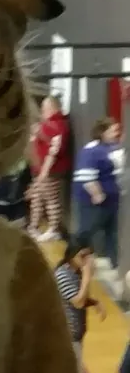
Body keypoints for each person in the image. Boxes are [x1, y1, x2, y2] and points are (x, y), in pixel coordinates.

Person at [72, 117, 122, 275]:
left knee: (112, 234)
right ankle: (73, 264)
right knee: (86, 232)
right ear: (102, 132)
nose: (116, 133)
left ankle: (115, 265)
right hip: (95, 203)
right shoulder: (91, 150)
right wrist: (98, 194)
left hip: (112, 202)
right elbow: (85, 175)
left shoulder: (112, 148)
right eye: (113, 130)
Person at [54, 242, 106, 373]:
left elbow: (77, 298)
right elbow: (77, 302)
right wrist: (87, 277)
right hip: (66, 336)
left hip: (75, 335)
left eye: (88, 256)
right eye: (82, 256)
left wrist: (94, 302)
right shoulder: (63, 275)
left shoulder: (75, 272)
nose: (87, 260)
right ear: (71, 256)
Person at [29, 95, 71, 242]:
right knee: (37, 200)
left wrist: (44, 172)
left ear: (52, 108)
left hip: (51, 171)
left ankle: (54, 229)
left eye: (45, 108)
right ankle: (33, 227)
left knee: (50, 200)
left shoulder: (57, 125)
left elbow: (54, 150)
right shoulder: (47, 125)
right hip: (41, 171)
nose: (43, 111)